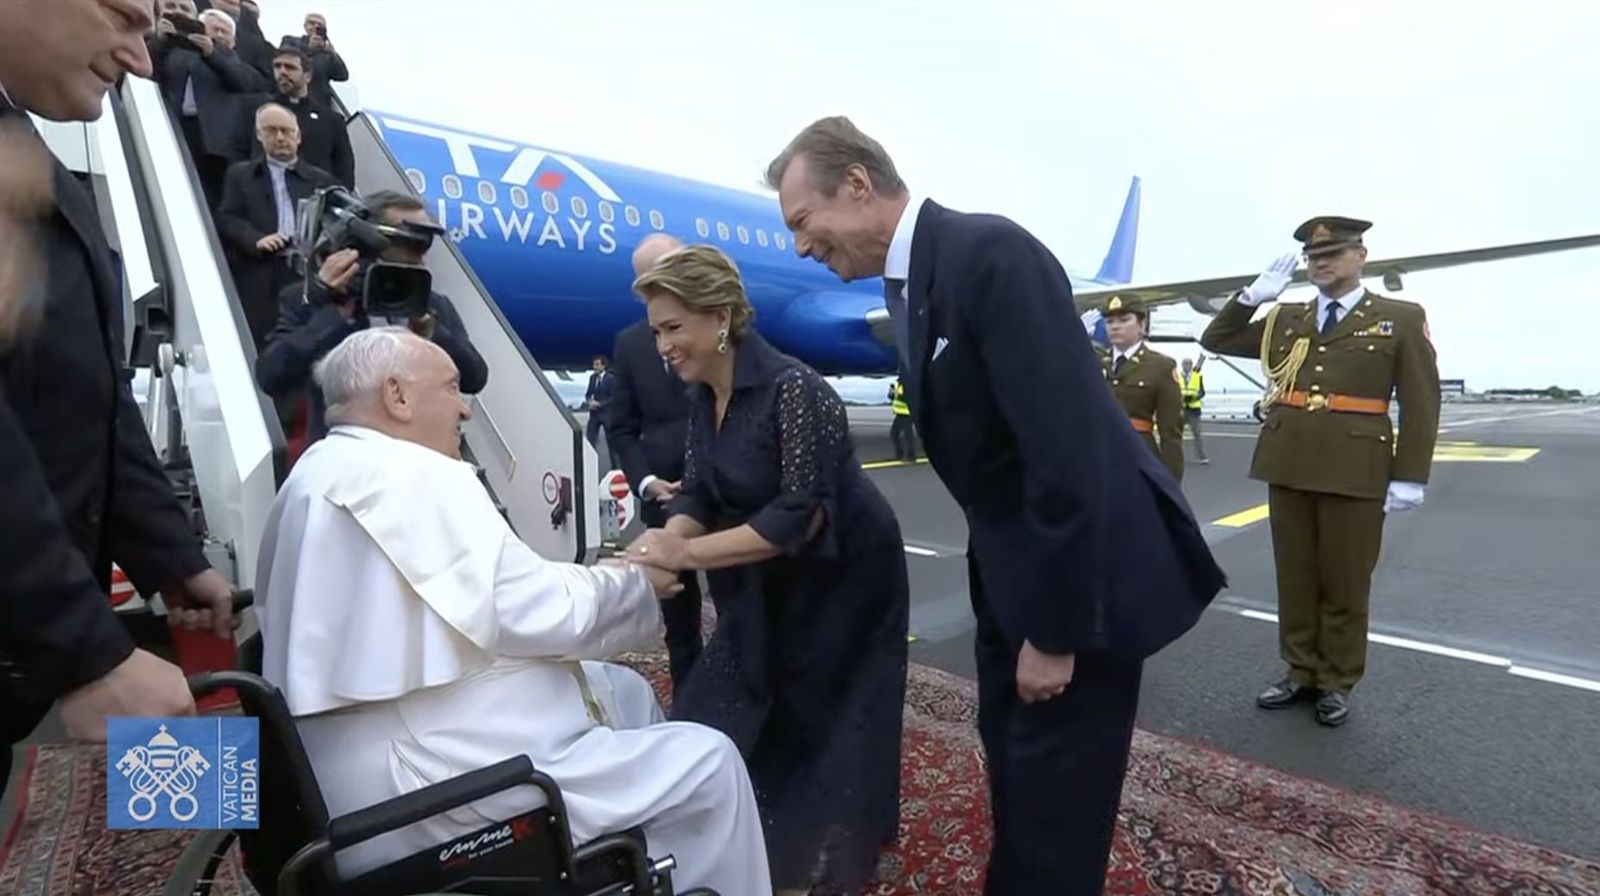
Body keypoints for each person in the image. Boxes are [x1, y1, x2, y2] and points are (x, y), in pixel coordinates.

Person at [764, 116, 1225, 894]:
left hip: (1081, 586)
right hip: (1016, 569)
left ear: (857, 186)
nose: (802, 246)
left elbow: (1066, 455)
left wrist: (1054, 630)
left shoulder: (989, 254)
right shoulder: (915, 279)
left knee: (1055, 806)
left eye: (804, 222)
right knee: (1018, 774)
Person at [254, 327, 773, 895]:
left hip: (364, 754)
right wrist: (636, 584)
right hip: (426, 788)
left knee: (622, 690)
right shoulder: (406, 476)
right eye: (452, 389)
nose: (465, 408)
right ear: (397, 397)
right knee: (711, 762)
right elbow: (538, 612)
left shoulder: (321, 469)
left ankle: (635, 862)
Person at [0, 0, 239, 800]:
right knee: (197, 794)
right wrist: (84, 651)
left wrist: (166, 553)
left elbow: (85, 387)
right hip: (41, 635)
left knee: (209, 787)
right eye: (127, 17)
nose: (142, 59)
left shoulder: (24, 144)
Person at [623, 244, 909, 895]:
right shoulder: (706, 396)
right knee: (731, 686)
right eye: (656, 331)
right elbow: (698, 489)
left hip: (844, 571)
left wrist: (686, 555)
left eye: (672, 328)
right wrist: (663, 541)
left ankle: (810, 853)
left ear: (719, 317)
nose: (663, 345)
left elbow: (796, 518)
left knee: (829, 709)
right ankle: (738, 822)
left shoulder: (794, 390)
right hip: (763, 566)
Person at [1199, 216, 1440, 726]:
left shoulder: (1397, 317)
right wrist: (1252, 297)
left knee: (1346, 582)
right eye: (1313, 257)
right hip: (1289, 462)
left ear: (1361, 256)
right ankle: (1300, 670)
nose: (1320, 263)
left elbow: (1422, 401)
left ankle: (1335, 680)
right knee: (1296, 577)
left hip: (1357, 467)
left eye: (1332, 254)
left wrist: (1411, 473)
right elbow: (1215, 338)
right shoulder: (1287, 318)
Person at [255, 190, 488, 446]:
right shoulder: (309, 299)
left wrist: (430, 332)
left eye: (426, 245)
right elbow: (271, 375)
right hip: (347, 462)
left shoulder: (430, 304)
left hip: (422, 459)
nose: (423, 258)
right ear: (364, 242)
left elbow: (475, 377)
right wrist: (333, 313)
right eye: (413, 244)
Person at [606, 234, 704, 690]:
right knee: (681, 625)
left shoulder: (727, 333)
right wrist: (645, 481)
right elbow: (621, 426)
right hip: (662, 501)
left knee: (750, 608)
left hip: (728, 494)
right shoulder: (629, 344)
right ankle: (691, 707)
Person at [215, 102, 338, 349]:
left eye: (286, 130)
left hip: (306, 272)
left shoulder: (321, 181)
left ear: (298, 136)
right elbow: (227, 218)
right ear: (259, 135)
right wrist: (255, 239)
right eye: (271, 131)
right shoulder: (241, 175)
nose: (280, 137)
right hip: (261, 270)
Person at [1095, 294, 1185, 481]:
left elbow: (1170, 434)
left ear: (1142, 325)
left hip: (1138, 460)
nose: (1115, 326)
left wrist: (1171, 485)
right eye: (1109, 321)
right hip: (1096, 459)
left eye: (1124, 320)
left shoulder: (1160, 366)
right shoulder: (1093, 364)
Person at [1180, 355, 1209, 464]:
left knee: (1197, 434)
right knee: (1177, 434)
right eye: (1185, 364)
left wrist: (1194, 397)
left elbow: (1202, 392)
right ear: (1182, 366)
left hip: (1194, 410)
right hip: (1182, 409)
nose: (1187, 366)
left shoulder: (1197, 376)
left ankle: (1202, 456)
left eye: (1188, 364)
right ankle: (1177, 456)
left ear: (1191, 365)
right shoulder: (1178, 376)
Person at [888, 377, 919, 461]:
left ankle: (911, 456)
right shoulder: (895, 384)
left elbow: (908, 397)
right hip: (899, 414)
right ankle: (899, 454)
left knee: (908, 436)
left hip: (907, 414)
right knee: (894, 434)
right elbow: (891, 396)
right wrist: (891, 393)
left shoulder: (909, 383)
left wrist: (896, 394)